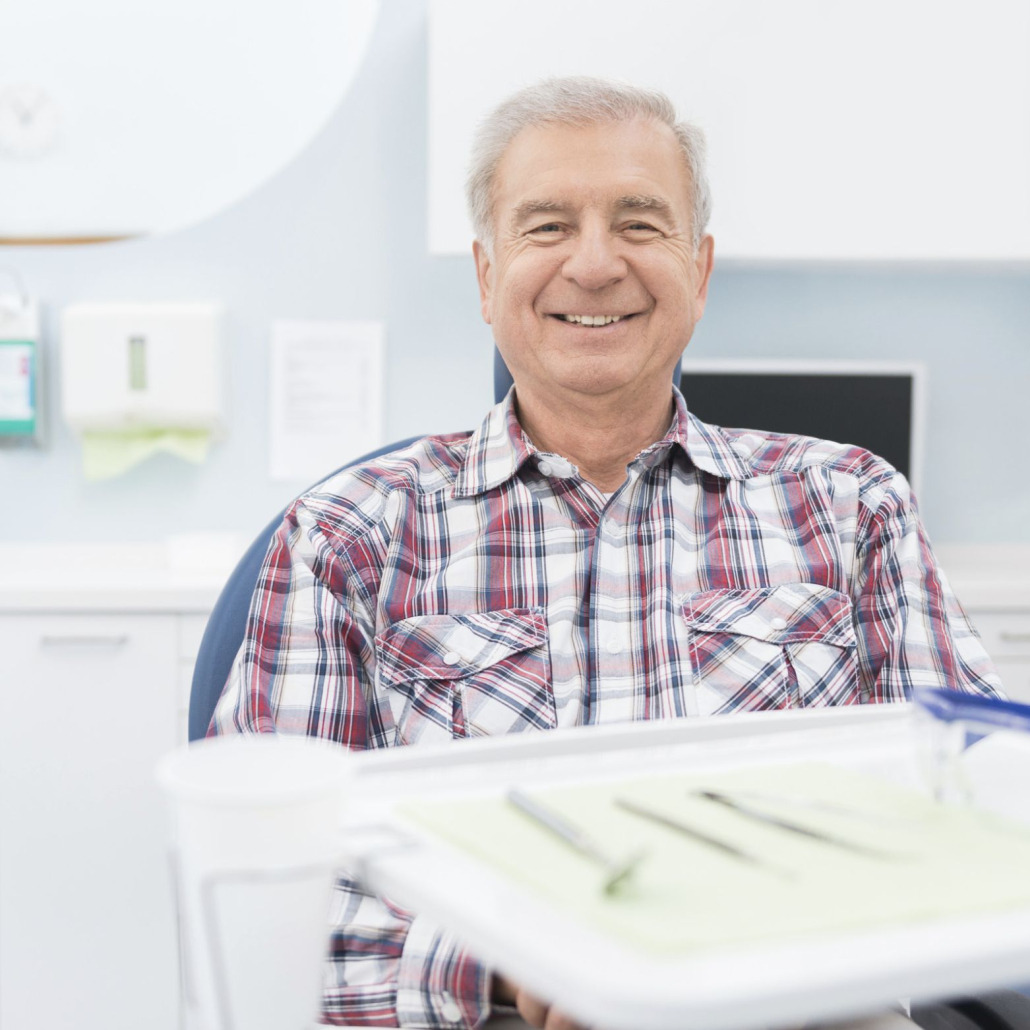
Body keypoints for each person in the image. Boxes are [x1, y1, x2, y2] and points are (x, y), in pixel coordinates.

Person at [210, 76, 1003, 1030]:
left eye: (639, 223)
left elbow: (981, 813)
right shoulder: (350, 532)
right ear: (484, 274)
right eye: (545, 227)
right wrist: (502, 968)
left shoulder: (850, 505)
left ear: (699, 271)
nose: (594, 264)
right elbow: (260, 886)